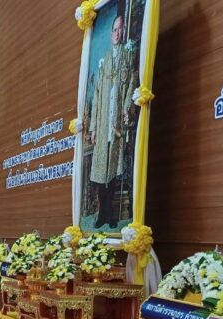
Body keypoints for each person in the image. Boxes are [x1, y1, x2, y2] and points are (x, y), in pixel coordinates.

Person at [87, 14, 137, 229]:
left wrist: (126, 109)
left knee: (113, 171)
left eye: (120, 30)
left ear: (124, 32)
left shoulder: (128, 57)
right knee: (100, 172)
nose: (117, 33)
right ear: (110, 34)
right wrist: (93, 128)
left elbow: (130, 86)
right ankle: (102, 213)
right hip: (102, 125)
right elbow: (97, 97)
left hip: (116, 126)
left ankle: (111, 214)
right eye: (114, 30)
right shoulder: (104, 62)